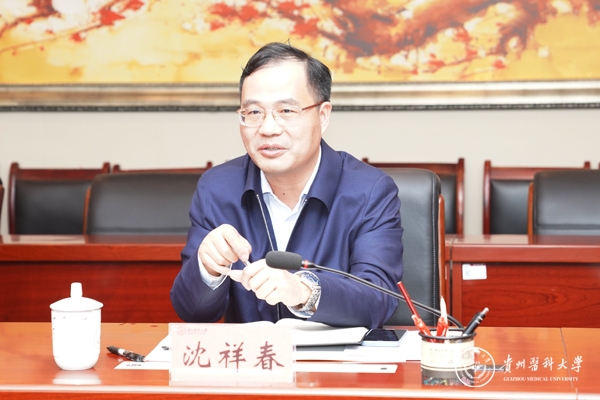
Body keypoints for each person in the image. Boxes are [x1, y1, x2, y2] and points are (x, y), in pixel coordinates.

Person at [171, 42, 403, 328]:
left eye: (286, 111)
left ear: (322, 116)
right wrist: (207, 269)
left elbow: (379, 299)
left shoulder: (370, 191)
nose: (268, 128)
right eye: (253, 113)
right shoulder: (217, 189)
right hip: (254, 356)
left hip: (336, 357)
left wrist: (304, 292)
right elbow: (192, 313)